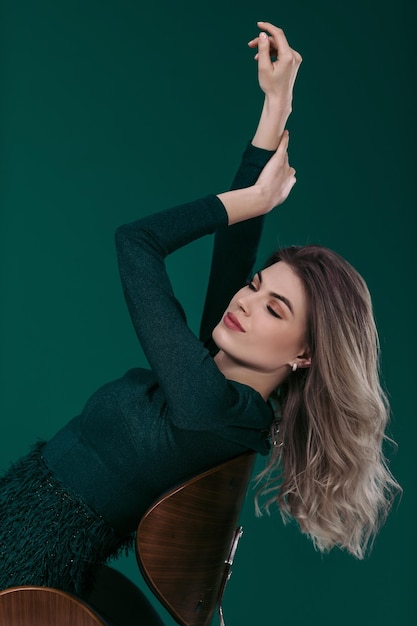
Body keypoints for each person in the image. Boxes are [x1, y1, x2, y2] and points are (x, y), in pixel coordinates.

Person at [0, 22, 399, 599]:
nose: (245, 300)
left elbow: (135, 242)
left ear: (307, 353)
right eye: (257, 285)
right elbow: (236, 242)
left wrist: (252, 199)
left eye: (274, 309)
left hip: (18, 578)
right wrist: (275, 107)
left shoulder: (208, 408)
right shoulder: (226, 396)